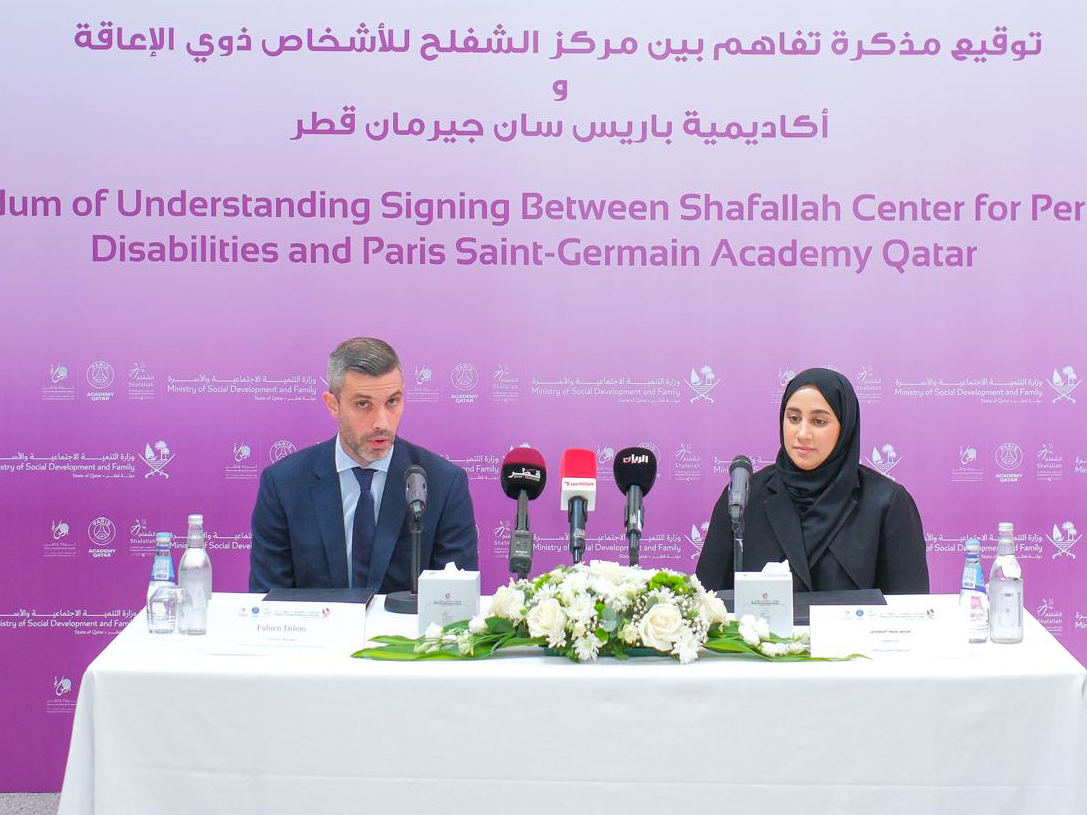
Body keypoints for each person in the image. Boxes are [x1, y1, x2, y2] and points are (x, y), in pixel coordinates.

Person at [250, 337, 478, 593]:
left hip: (403, 633)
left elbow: (455, 602)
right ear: (332, 404)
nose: (382, 422)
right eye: (363, 404)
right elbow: (269, 599)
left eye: (392, 401)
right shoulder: (283, 485)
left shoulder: (444, 483)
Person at [695, 367, 928, 594]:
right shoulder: (744, 499)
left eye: (819, 422)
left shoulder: (886, 503)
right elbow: (706, 603)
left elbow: (909, 611)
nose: (803, 433)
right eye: (794, 418)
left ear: (845, 427)